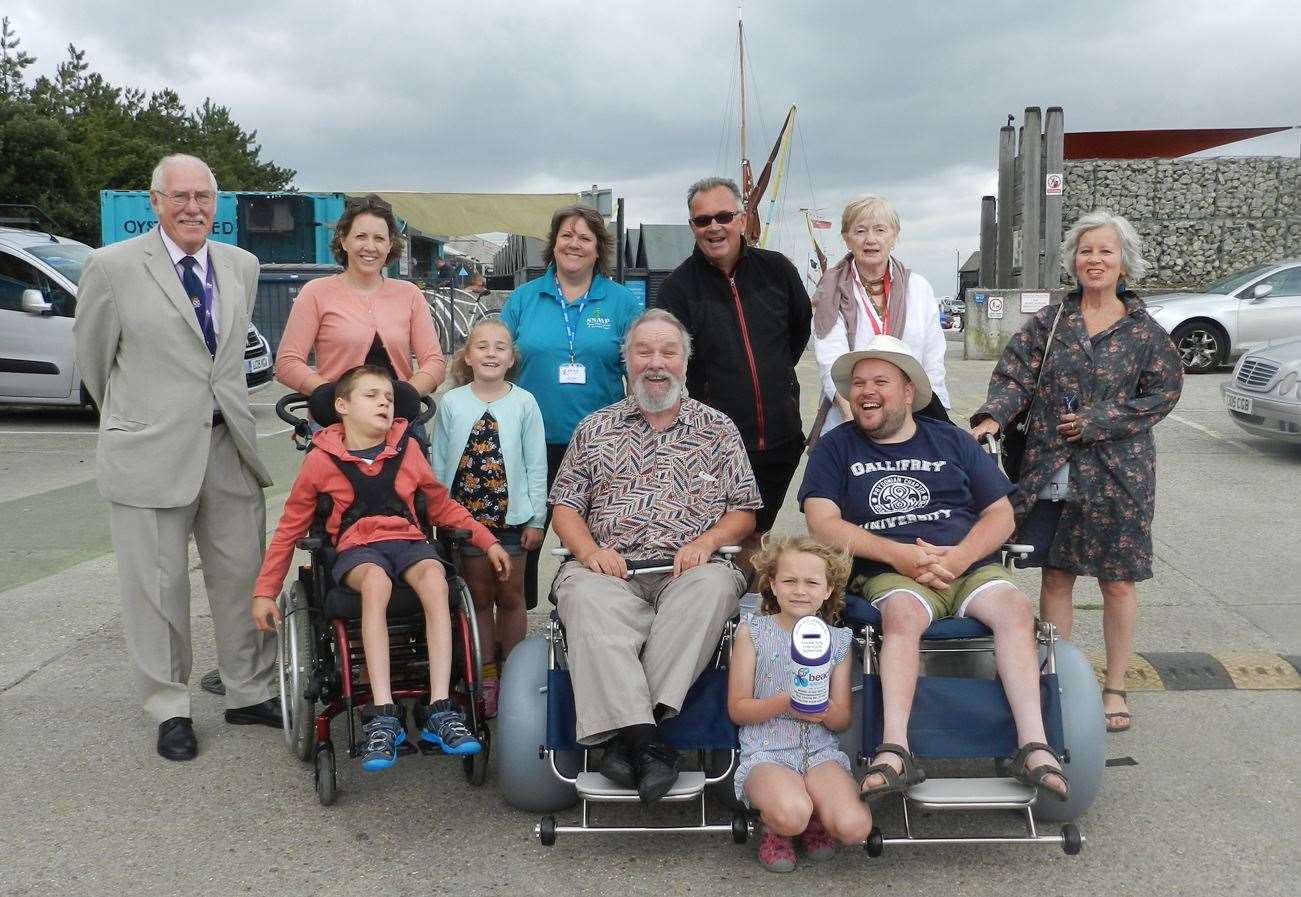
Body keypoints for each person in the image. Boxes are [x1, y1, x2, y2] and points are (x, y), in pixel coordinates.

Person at [800, 336, 1069, 803]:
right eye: (858, 382)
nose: (866, 391)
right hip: (890, 571)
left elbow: (1001, 514)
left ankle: (1033, 744)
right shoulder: (835, 447)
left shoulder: (951, 441)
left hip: (965, 563)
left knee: (1014, 609)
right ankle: (895, 749)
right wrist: (898, 555)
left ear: (908, 391)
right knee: (902, 616)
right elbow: (823, 523)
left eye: (880, 381)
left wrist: (961, 556)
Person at [73, 153, 279, 761]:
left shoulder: (242, 265)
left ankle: (249, 691)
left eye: (204, 198)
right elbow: (94, 362)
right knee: (156, 587)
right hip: (150, 452)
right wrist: (139, 420)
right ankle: (170, 706)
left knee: (244, 573)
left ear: (217, 205)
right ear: (155, 203)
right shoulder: (111, 267)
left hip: (228, 446)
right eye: (180, 196)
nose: (193, 208)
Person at [971, 210, 1183, 734]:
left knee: (1117, 583)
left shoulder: (1145, 332)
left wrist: (1098, 420)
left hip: (1118, 475)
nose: (1095, 260)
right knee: (1057, 574)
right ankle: (1053, 674)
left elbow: (1164, 393)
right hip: (1050, 469)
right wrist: (993, 415)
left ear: (1123, 263)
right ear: (1073, 260)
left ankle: (1115, 685)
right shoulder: (1050, 323)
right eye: (1086, 251)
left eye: (1106, 251)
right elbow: (1015, 375)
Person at [252, 365, 511, 770]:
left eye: (388, 398)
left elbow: (440, 506)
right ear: (342, 406)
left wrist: (486, 539)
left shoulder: (407, 450)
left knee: (436, 580)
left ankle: (441, 706)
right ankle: (382, 712)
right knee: (375, 584)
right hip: (357, 550)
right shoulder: (320, 461)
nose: (384, 403)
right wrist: (265, 591)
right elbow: (289, 529)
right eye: (371, 396)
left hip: (407, 541)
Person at [549, 308, 760, 804]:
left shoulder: (717, 429)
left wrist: (707, 542)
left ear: (685, 361)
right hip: (610, 568)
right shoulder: (594, 428)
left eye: (668, 351)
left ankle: (627, 741)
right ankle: (649, 742)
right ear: (626, 361)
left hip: (690, 568)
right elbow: (565, 508)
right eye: (643, 352)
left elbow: (745, 511)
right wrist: (590, 550)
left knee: (714, 588)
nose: (656, 363)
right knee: (580, 595)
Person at [656, 177, 811, 573]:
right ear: (692, 227)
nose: (714, 227)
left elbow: (798, 332)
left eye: (723, 216)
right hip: (718, 441)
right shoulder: (677, 288)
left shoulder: (778, 271)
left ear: (742, 219)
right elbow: (673, 360)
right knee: (728, 536)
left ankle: (750, 621)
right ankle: (732, 618)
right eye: (702, 219)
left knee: (758, 533)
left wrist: (776, 382)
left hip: (780, 435)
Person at [499, 204, 641, 608]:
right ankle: (515, 624)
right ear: (553, 244)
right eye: (567, 236)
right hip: (528, 443)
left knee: (590, 541)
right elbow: (493, 358)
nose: (574, 244)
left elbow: (640, 366)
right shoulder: (525, 299)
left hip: (599, 447)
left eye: (585, 238)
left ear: (599, 250)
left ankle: (581, 616)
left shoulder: (620, 303)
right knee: (521, 537)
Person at [728, 535, 872, 873]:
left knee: (855, 827)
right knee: (791, 814)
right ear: (773, 586)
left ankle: (817, 816)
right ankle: (779, 825)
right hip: (767, 751)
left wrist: (822, 710)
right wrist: (783, 702)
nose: (800, 590)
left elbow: (842, 721)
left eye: (811, 582)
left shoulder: (837, 641)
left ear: (827, 591)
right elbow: (737, 708)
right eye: (789, 580)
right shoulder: (754, 632)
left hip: (820, 753)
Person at [432, 319, 547, 717]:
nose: (492, 353)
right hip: (466, 521)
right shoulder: (452, 403)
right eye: (483, 346)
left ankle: (515, 677)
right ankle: (486, 677)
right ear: (468, 355)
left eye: (501, 347)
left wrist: (536, 518)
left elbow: (536, 463)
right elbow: (439, 461)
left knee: (511, 597)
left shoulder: (525, 402)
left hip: (512, 522)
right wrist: (438, 513)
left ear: (512, 358)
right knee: (479, 599)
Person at [275, 194, 445, 430]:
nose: (370, 247)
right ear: (344, 241)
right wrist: (328, 393)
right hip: (336, 423)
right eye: (360, 236)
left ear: (389, 245)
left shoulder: (409, 294)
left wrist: (409, 393)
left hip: (399, 421)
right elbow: (287, 362)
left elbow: (435, 362)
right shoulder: (315, 293)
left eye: (379, 238)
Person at [810, 194, 952, 438]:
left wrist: (930, 422)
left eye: (880, 230)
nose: (871, 240)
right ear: (846, 238)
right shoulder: (830, 291)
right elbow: (832, 363)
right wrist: (857, 422)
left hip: (913, 419)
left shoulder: (918, 288)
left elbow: (933, 360)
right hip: (853, 416)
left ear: (894, 236)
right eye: (860, 231)